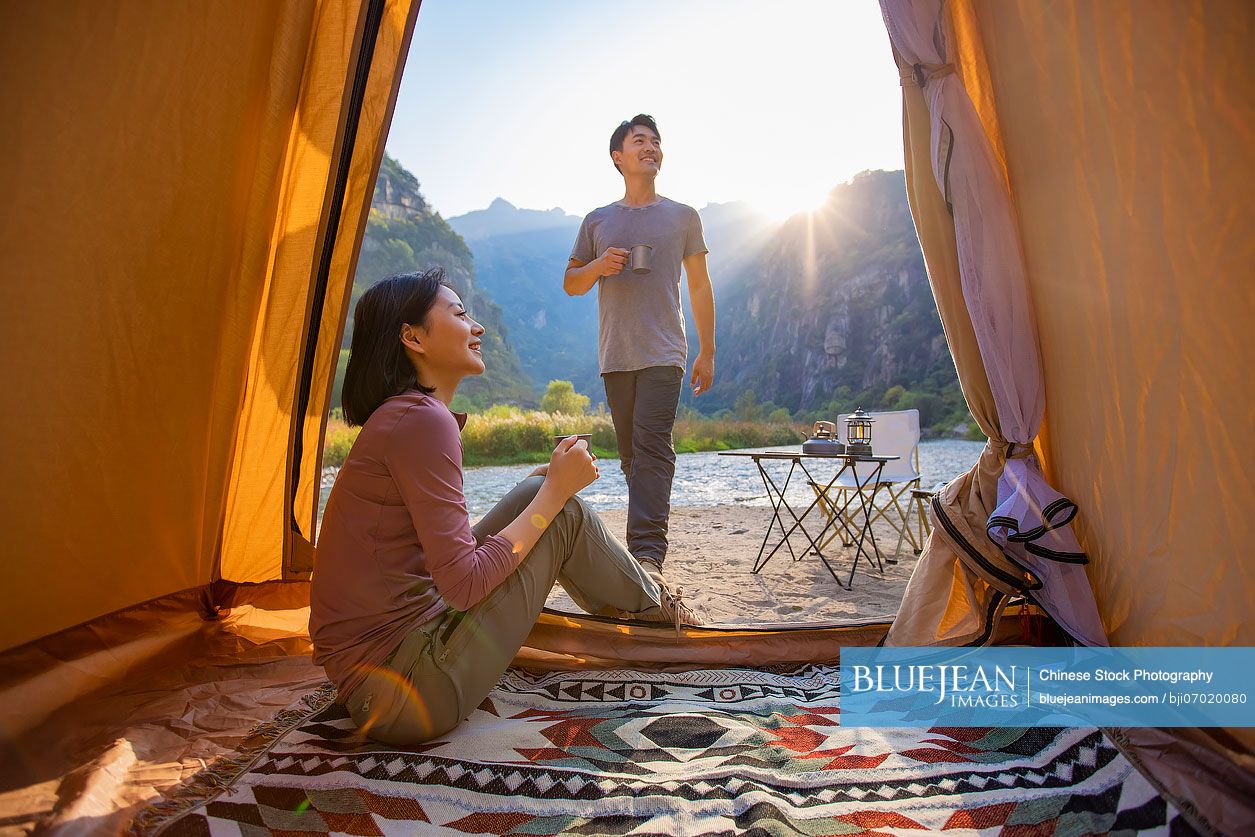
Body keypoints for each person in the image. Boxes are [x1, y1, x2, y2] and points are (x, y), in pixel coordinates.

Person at [310, 268, 699, 745]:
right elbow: (463, 583)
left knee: (527, 496)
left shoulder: (405, 415)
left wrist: (542, 488)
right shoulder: (422, 421)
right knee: (562, 516)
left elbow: (438, 562)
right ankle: (660, 622)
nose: (478, 327)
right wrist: (556, 493)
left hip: (378, 680)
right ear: (412, 337)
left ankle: (646, 607)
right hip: (409, 693)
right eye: (458, 313)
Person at [564, 114, 716, 587]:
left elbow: (699, 285)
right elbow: (571, 284)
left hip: (664, 351)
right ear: (618, 157)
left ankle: (646, 555)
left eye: (655, 141)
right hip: (616, 355)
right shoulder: (597, 221)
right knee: (631, 456)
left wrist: (706, 350)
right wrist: (599, 267)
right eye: (639, 141)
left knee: (652, 447)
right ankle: (644, 539)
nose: (650, 147)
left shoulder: (683, 216)